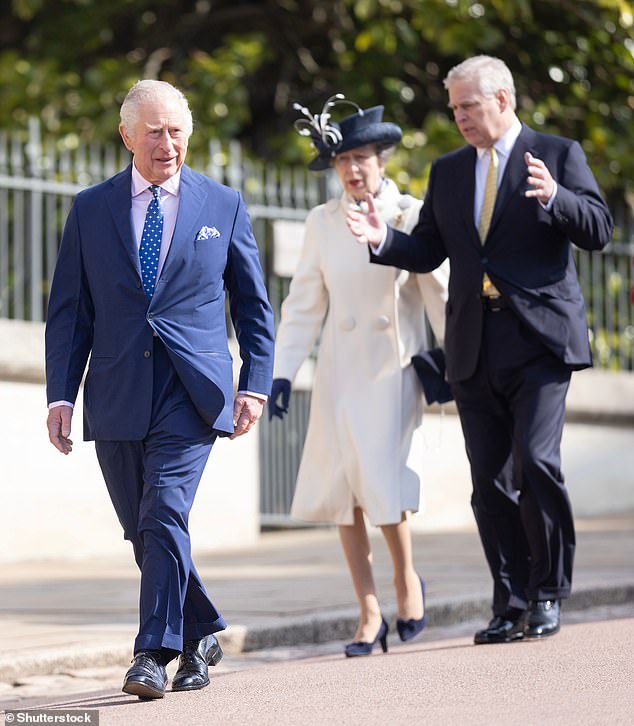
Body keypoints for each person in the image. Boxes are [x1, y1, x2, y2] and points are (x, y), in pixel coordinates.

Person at [346, 56, 613, 644]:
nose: (460, 117)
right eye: (454, 108)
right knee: (489, 482)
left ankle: (547, 593)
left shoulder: (558, 154)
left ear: (503, 99)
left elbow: (598, 229)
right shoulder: (447, 172)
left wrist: (556, 199)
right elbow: (427, 252)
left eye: (468, 105)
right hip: (472, 342)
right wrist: (382, 240)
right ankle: (510, 602)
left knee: (537, 463)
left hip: (540, 339)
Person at [45, 79, 275, 698]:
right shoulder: (90, 209)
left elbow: (254, 307)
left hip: (193, 390)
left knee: (164, 511)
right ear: (126, 136)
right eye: (153, 131)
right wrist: (60, 395)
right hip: (117, 389)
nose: (166, 143)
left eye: (176, 130)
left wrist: (254, 383)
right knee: (142, 528)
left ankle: (152, 651)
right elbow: (71, 311)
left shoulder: (222, 205)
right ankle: (201, 633)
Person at [269, 96, 449, 656]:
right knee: (342, 490)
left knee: (381, 481)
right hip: (339, 372)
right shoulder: (321, 223)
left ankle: (405, 579)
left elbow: (440, 291)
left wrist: (462, 363)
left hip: (392, 368)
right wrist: (282, 372)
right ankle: (368, 610)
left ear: (382, 159)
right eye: (343, 160)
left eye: (362, 158)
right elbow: (303, 304)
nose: (352, 170)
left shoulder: (412, 214)